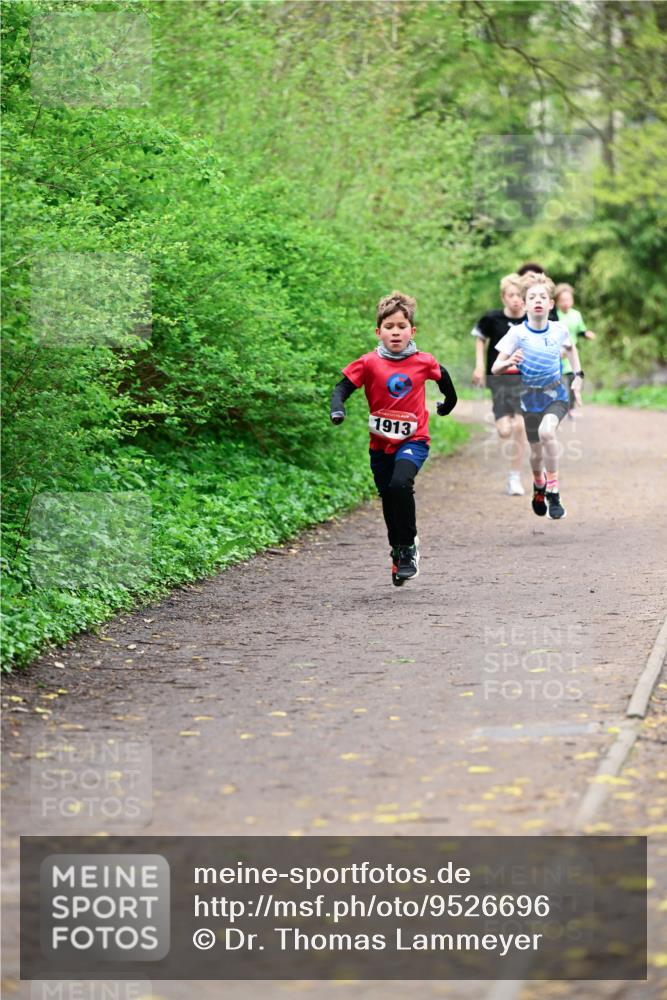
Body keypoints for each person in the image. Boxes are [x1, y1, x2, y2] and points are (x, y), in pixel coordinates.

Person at [330, 291, 457, 585]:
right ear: (379, 331)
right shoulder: (369, 362)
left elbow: (446, 382)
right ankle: (397, 551)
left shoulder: (423, 361)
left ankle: (409, 547)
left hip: (414, 439)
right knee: (388, 495)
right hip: (380, 444)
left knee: (401, 484)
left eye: (401, 326)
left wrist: (447, 405)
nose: (396, 332)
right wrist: (338, 409)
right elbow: (341, 388)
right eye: (389, 327)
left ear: (412, 331)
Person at [492, 273, 584, 520]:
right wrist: (509, 361)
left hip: (556, 394)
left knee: (547, 432)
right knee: (535, 454)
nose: (538, 301)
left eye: (543, 297)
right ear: (524, 303)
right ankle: (538, 484)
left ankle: (553, 488)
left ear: (551, 304)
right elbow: (495, 367)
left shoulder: (559, 330)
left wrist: (579, 376)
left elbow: (571, 348)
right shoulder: (517, 334)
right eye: (532, 297)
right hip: (529, 399)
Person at [471, 273, 528, 496]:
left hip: (525, 379)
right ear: (503, 297)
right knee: (505, 431)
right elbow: (479, 338)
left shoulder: (532, 320)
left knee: (520, 426)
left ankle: (514, 478)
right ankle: (503, 422)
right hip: (499, 379)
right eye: (511, 295)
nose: (515, 299)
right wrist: (479, 366)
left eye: (519, 295)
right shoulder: (492, 318)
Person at [554, 282, 596, 417]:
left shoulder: (576, 315)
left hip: (572, 354)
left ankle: (571, 409)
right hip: (558, 354)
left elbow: (580, 330)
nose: (566, 302)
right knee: (559, 383)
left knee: (574, 380)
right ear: (557, 302)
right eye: (562, 300)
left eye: (568, 299)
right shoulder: (554, 316)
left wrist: (586, 334)